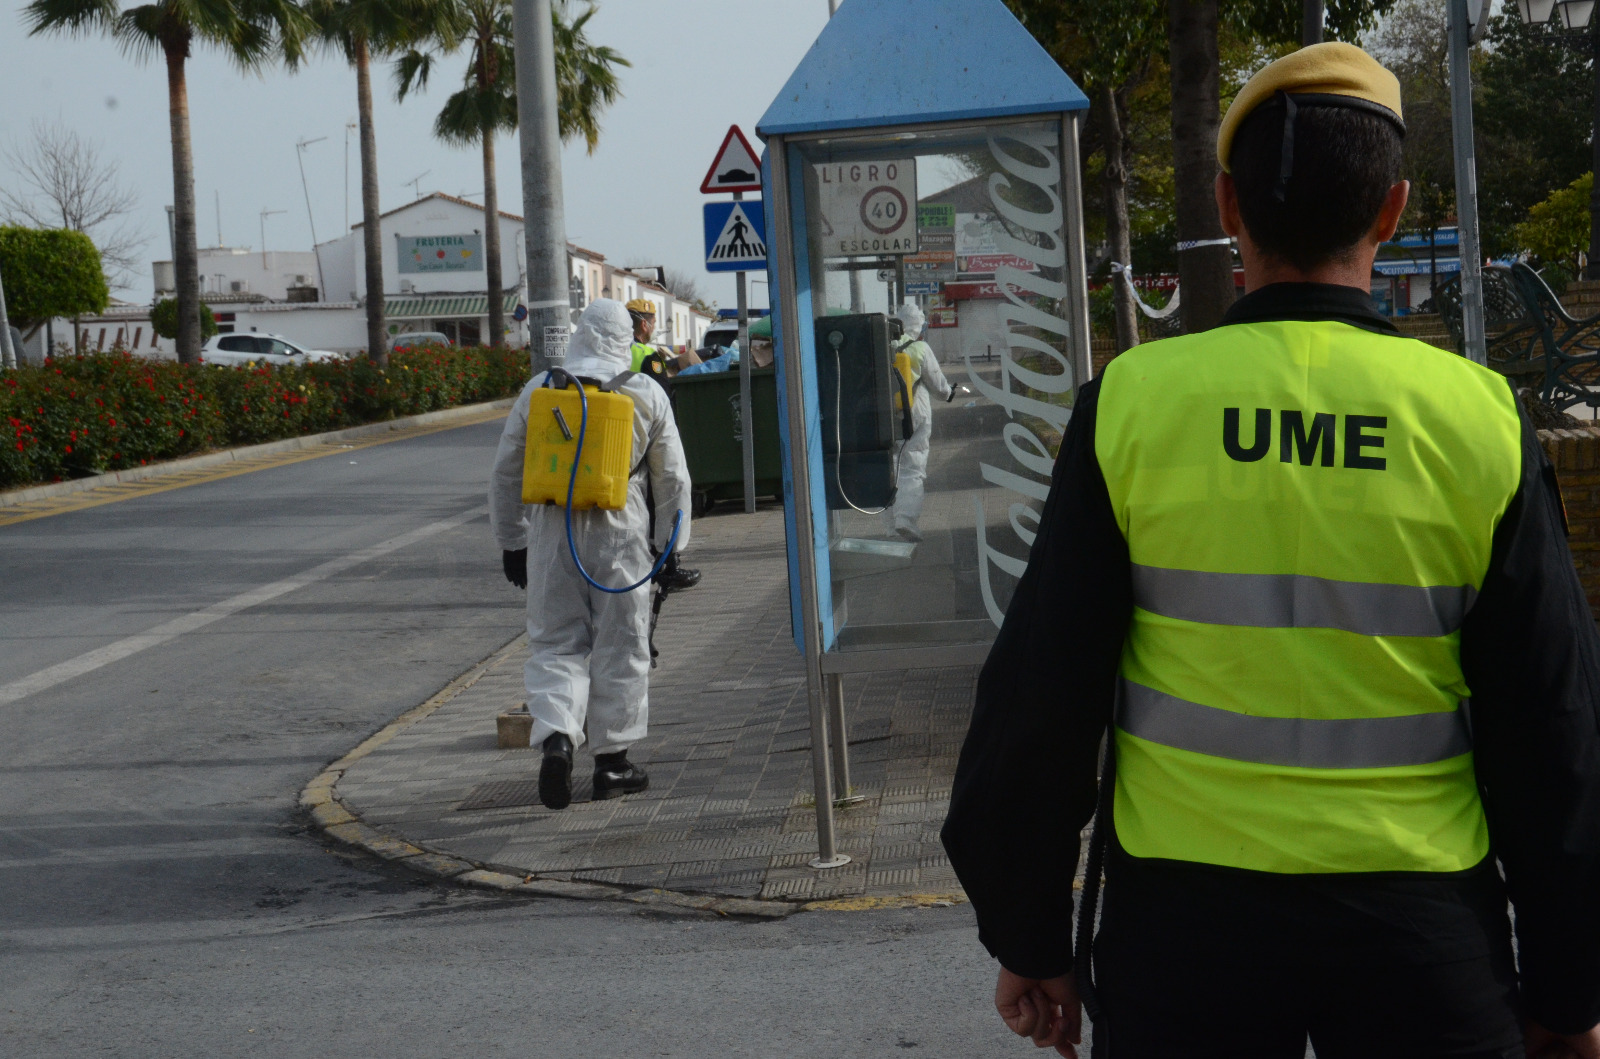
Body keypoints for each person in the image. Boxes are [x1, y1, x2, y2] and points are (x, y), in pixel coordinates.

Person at [942, 42, 1600, 1059]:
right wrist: (1566, 988)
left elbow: (1040, 694)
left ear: (1223, 204)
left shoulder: (1133, 405)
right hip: (1420, 932)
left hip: (1185, 935)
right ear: (1390, 209)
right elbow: (1552, 724)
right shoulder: (1476, 419)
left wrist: (1029, 932)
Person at [489, 299, 694, 811]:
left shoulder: (540, 389)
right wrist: (672, 547)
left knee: (556, 642)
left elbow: (505, 474)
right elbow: (673, 479)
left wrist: (513, 543)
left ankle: (558, 737)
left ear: (580, 335)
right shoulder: (645, 391)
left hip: (552, 530)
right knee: (621, 646)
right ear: (626, 338)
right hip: (620, 531)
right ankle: (612, 764)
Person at [887, 302, 953, 542]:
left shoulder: (886, 344)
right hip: (915, 410)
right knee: (913, 465)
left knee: (891, 467)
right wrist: (949, 394)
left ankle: (891, 525)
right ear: (919, 326)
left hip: (888, 413)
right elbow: (938, 384)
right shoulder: (920, 347)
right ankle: (906, 520)